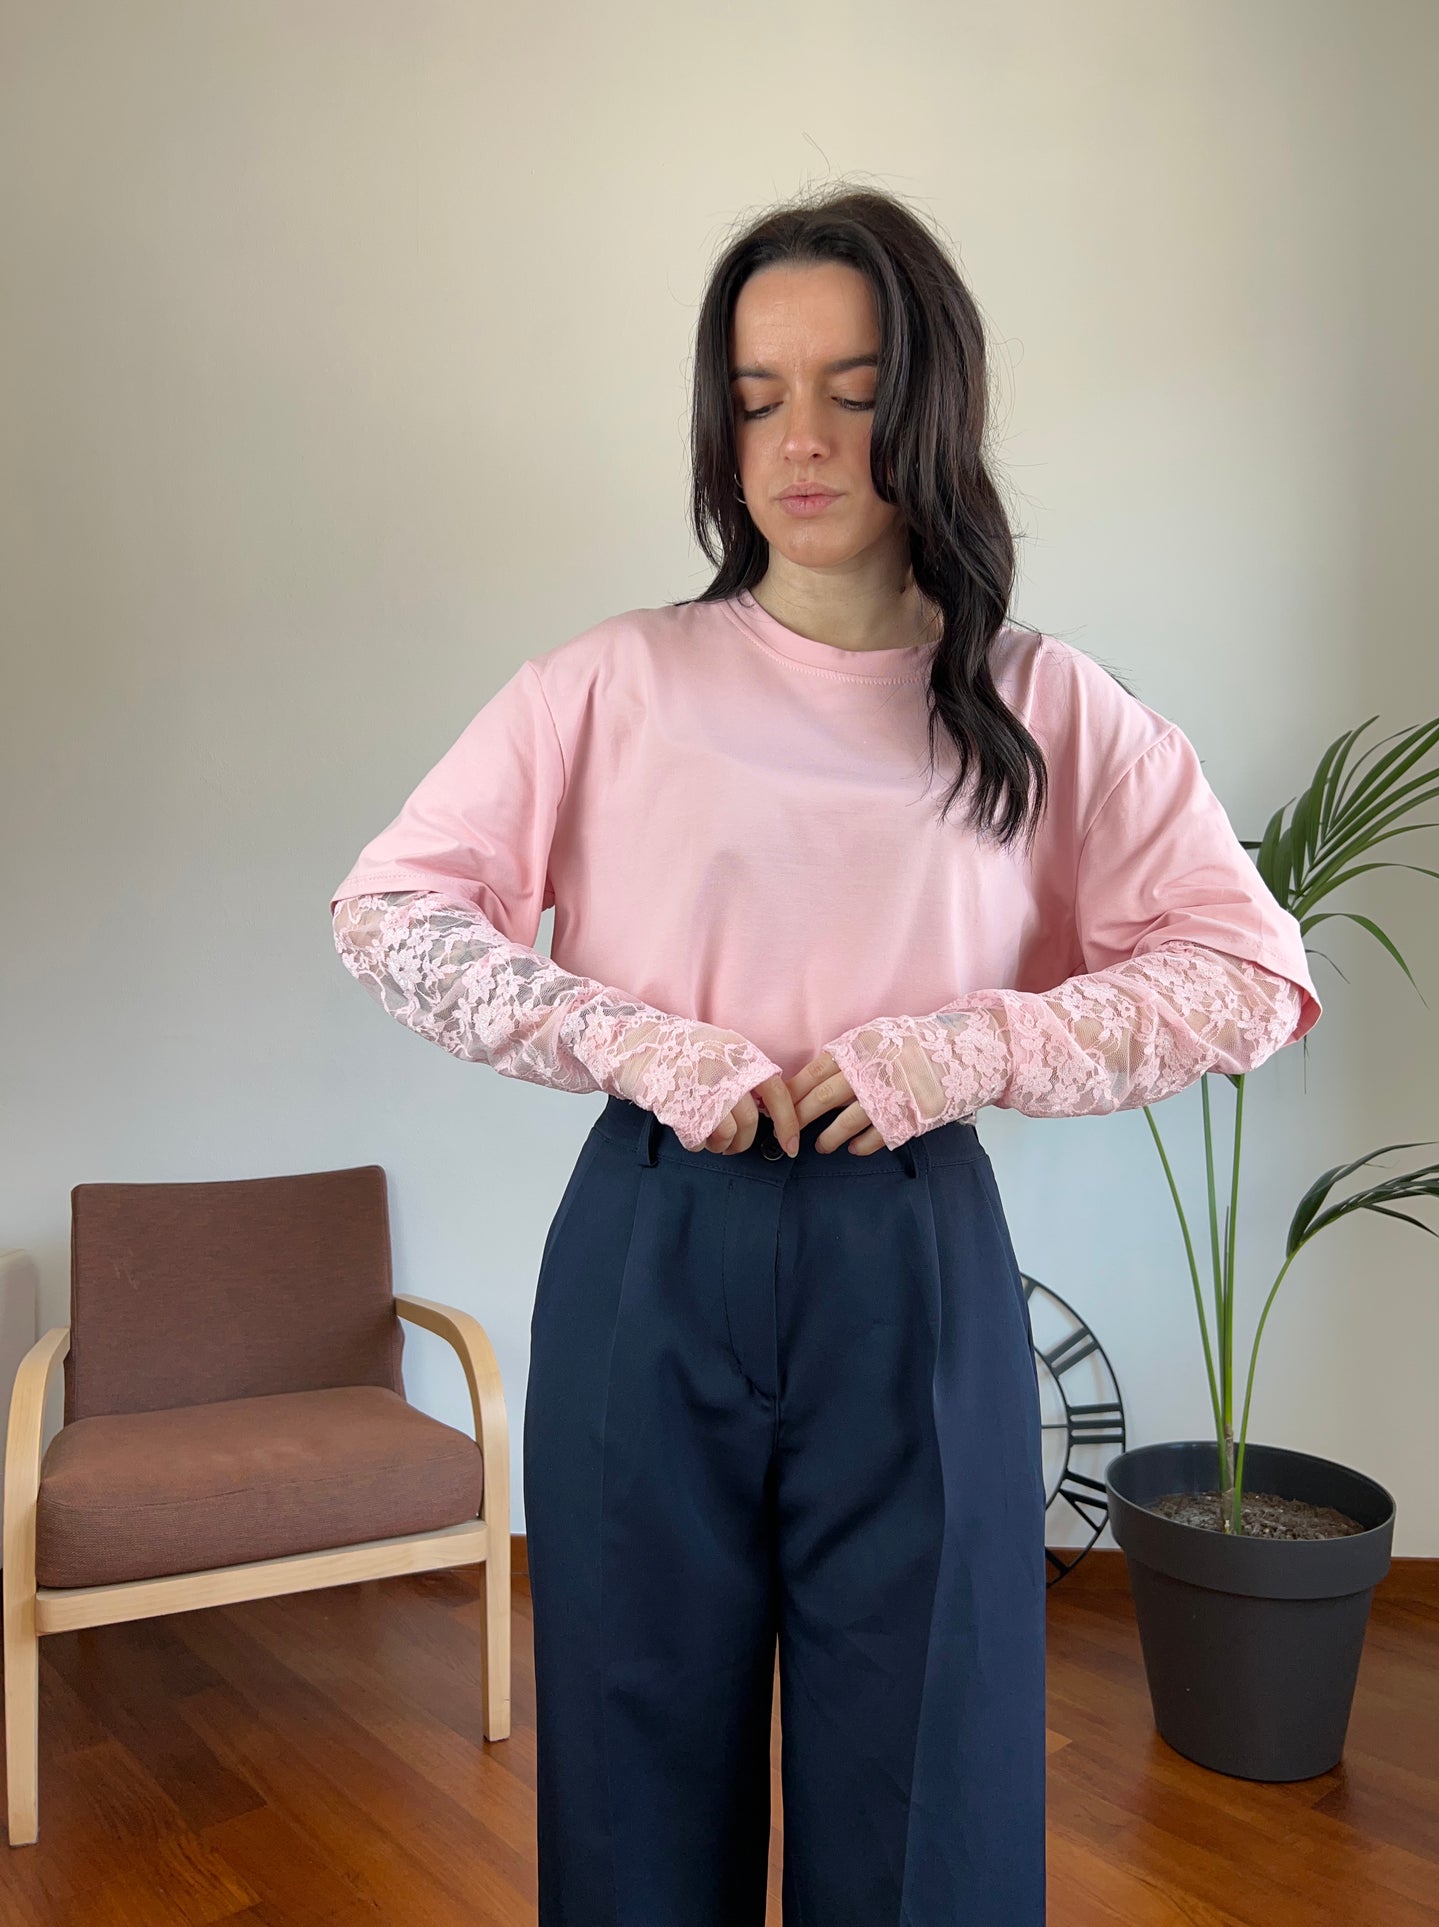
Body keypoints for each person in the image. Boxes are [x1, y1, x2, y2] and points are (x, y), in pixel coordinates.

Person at [328, 186, 1321, 1927]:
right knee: (630, 1754)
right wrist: (630, 1036)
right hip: (652, 1235)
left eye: (852, 391)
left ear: (931, 405)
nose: (799, 439)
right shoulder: (609, 684)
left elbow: (1249, 972)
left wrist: (969, 1045)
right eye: (756, 394)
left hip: (907, 1248)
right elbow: (391, 910)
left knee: (932, 1766)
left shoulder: (1039, 703)